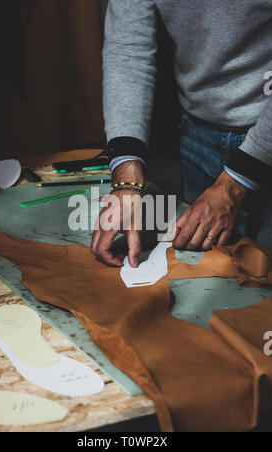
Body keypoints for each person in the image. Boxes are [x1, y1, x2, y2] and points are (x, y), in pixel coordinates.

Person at [91, 0, 272, 268]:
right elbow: (128, 52)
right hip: (198, 132)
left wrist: (235, 182)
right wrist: (127, 182)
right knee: (206, 276)